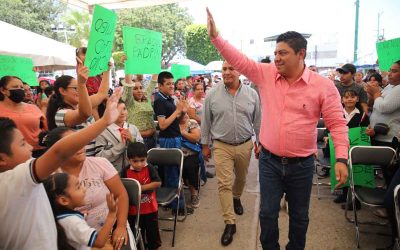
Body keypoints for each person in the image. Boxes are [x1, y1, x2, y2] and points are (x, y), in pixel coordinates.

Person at [206, 8, 349, 250]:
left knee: (300, 217)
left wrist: (342, 158)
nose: (277, 58)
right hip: (270, 162)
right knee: (267, 214)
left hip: (302, 165)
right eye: (275, 53)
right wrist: (216, 37)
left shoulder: (323, 87)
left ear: (301, 53)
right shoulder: (266, 75)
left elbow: (336, 124)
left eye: (283, 53)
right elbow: (240, 60)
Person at [0, 88, 122, 250]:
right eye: (22, 143)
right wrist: (104, 121)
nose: (30, 147)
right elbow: (59, 152)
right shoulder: (13, 181)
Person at [201, 60, 261, 246]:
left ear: (239, 71)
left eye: (230, 68)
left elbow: (258, 120)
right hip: (221, 146)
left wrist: (260, 142)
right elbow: (206, 121)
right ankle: (230, 222)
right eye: (224, 69)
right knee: (223, 183)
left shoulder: (252, 94)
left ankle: (237, 197)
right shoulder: (212, 94)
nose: (227, 72)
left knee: (241, 178)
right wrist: (205, 144)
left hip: (245, 145)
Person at [46, 63, 109, 156]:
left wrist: (107, 69)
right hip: (78, 164)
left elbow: (102, 94)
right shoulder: (61, 114)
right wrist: (81, 84)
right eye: (76, 88)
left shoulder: (81, 105)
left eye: (79, 88)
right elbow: (85, 114)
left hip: (92, 161)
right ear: (62, 91)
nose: (80, 91)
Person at [43, 173, 118, 250]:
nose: (84, 189)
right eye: (78, 187)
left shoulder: (57, 216)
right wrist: (112, 214)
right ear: (64, 200)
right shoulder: (73, 222)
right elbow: (99, 242)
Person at [153, 71, 192, 215]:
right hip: (168, 140)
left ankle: (177, 204)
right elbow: (162, 125)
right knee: (172, 174)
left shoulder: (169, 98)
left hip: (175, 137)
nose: (171, 86)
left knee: (176, 172)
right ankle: (177, 207)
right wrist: (177, 111)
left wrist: (182, 110)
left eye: (172, 83)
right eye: (168, 84)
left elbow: (176, 119)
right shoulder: (159, 101)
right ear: (160, 85)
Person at [121, 142, 162, 250]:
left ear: (146, 158)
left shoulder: (150, 168)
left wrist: (139, 188)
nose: (139, 164)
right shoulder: (125, 172)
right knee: (136, 232)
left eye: (142, 160)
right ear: (128, 159)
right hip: (133, 210)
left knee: (152, 232)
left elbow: (158, 183)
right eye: (135, 161)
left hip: (150, 209)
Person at [365, 60, 400, 185]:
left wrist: (375, 94)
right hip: (378, 134)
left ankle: (392, 201)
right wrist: (372, 95)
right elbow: (375, 104)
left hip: (389, 138)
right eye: (390, 70)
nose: (389, 74)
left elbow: (384, 107)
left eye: (394, 71)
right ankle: (389, 197)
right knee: (386, 172)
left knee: (390, 172)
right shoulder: (390, 87)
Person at [0, 76, 48, 158]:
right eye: (15, 87)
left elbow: (45, 128)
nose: (20, 90)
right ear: (3, 90)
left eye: (21, 87)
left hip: (38, 152)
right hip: (11, 156)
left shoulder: (33, 108)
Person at [121, 57, 158, 150]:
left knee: (151, 164)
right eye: (135, 88)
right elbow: (128, 86)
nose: (139, 91)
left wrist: (156, 64)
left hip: (153, 139)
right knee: (140, 163)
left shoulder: (146, 97)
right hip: (137, 139)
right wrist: (127, 66)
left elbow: (153, 81)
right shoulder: (130, 102)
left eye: (141, 88)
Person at [96, 100, 143, 172]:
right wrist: (121, 146)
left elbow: (142, 151)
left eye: (124, 109)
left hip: (134, 172)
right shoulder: (103, 131)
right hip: (111, 173)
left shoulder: (133, 128)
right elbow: (99, 157)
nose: (122, 113)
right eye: (118, 110)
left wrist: (132, 140)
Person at [179, 113, 202, 208]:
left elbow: (196, 138)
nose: (185, 115)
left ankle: (194, 194)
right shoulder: (172, 123)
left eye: (185, 113)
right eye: (181, 113)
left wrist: (183, 133)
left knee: (189, 166)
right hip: (176, 154)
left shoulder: (192, 123)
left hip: (190, 154)